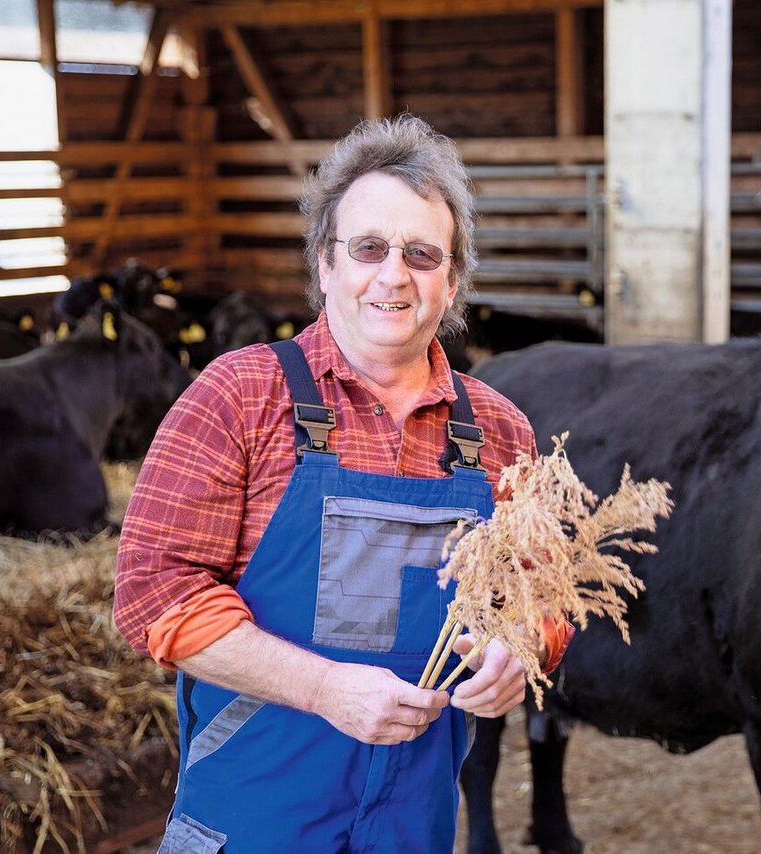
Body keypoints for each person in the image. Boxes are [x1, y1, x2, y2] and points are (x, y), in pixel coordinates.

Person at [114, 115, 572, 852]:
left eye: (423, 255)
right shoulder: (238, 397)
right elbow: (153, 595)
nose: (394, 275)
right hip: (255, 822)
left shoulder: (499, 432)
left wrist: (521, 648)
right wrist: (324, 688)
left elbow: (543, 593)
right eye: (368, 248)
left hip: (412, 825)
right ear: (325, 265)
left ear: (451, 283)